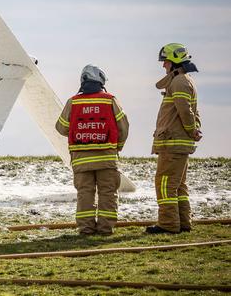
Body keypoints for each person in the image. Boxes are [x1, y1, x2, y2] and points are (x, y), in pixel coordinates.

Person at [56, 65, 129, 235]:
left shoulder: (73, 102)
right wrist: (118, 147)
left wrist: (79, 129)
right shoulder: (110, 100)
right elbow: (123, 127)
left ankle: (86, 229)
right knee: (108, 194)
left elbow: (61, 127)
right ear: (101, 81)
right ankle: (105, 229)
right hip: (106, 159)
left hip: (81, 161)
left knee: (85, 195)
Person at [146, 43, 202, 234]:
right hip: (179, 143)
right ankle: (183, 223)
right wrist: (195, 130)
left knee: (165, 183)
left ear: (174, 62)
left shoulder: (178, 82)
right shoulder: (184, 80)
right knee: (178, 185)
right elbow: (194, 112)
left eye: (166, 62)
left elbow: (185, 111)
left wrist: (192, 129)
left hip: (172, 143)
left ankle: (168, 225)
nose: (163, 66)